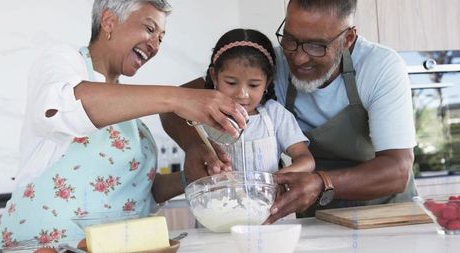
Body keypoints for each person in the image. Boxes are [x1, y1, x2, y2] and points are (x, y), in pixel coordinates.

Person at [0, 0, 247, 248]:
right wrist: (178, 98)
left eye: (161, 37)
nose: (155, 45)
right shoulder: (62, 62)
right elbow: (63, 106)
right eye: (149, 28)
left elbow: (136, 193)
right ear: (109, 21)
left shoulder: (131, 114)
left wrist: (188, 177)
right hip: (38, 248)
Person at [161, 0, 417, 223]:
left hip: (384, 216)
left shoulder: (380, 67)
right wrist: (196, 148)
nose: (298, 58)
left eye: (317, 46)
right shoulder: (269, 68)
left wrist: (320, 182)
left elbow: (397, 170)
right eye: (291, 39)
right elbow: (172, 106)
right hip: (315, 218)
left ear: (348, 39)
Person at [201, 28, 314, 174]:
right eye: (231, 83)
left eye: (253, 85)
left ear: (267, 82)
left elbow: (306, 161)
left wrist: (276, 180)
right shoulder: (203, 115)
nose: (242, 94)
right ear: (214, 76)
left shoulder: (275, 114)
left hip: (271, 196)